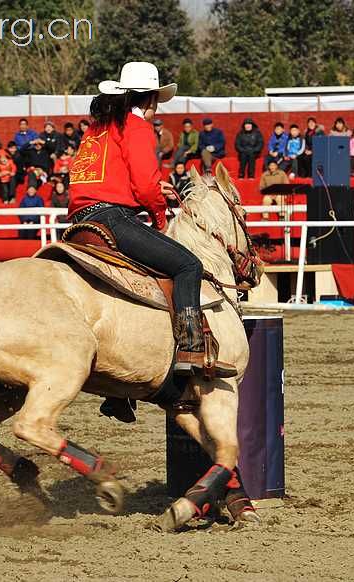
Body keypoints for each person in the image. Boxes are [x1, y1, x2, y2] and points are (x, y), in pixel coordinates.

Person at [68, 60, 237, 388]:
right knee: (188, 264)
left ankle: (118, 389)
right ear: (149, 100)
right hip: (112, 218)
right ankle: (191, 349)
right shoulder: (138, 129)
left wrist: (144, 191)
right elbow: (146, 186)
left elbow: (105, 176)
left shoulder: (96, 128)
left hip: (79, 221)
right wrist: (159, 217)